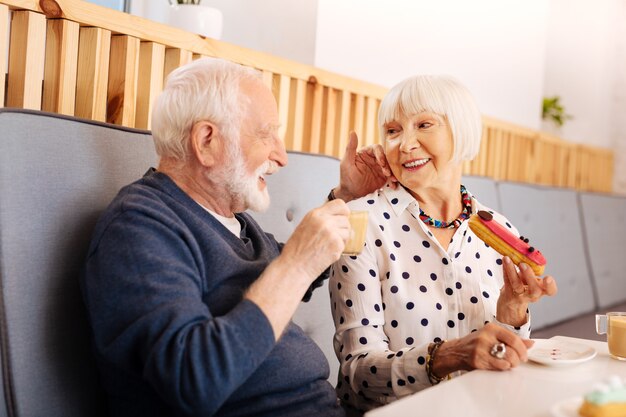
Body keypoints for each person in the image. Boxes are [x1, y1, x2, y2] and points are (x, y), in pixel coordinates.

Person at [80, 57, 392, 417]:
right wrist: (295, 266)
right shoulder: (138, 227)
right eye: (266, 134)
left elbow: (287, 278)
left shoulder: (232, 219)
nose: (281, 156)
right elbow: (195, 380)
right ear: (207, 141)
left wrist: (345, 199)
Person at [329, 75, 559, 414]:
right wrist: (446, 357)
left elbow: (498, 357)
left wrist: (511, 315)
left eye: (423, 125)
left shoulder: (499, 228)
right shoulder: (360, 224)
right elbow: (357, 374)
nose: (405, 144)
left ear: (461, 131)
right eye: (393, 131)